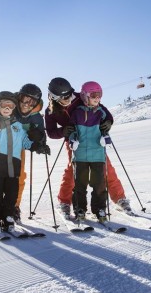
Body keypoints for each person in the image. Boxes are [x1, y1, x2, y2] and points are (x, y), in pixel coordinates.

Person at [44, 77, 132, 218]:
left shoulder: (81, 96)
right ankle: (64, 202)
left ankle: (119, 198)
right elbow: (51, 132)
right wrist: (63, 131)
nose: (68, 99)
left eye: (69, 95)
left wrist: (109, 121)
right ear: (54, 98)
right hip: (75, 142)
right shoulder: (50, 111)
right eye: (64, 98)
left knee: (106, 168)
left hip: (94, 139)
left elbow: (101, 109)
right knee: (74, 172)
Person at [0, 86, 50, 226]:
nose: (27, 104)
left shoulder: (36, 117)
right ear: (19, 96)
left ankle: (12, 207)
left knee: (17, 178)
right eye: (24, 99)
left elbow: (40, 138)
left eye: (32, 102)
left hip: (16, 148)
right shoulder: (6, 101)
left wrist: (38, 140)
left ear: (37, 103)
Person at [66, 81, 110, 221]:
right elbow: (72, 130)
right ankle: (80, 209)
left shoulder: (101, 113)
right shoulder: (77, 113)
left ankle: (100, 209)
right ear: (85, 96)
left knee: (99, 184)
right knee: (80, 185)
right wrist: (72, 140)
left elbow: (105, 129)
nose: (97, 98)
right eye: (94, 95)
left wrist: (106, 138)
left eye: (99, 95)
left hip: (97, 154)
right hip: (80, 156)